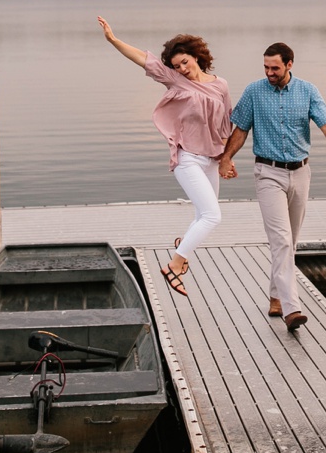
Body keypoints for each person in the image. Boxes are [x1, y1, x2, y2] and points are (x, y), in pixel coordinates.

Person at [97, 16, 232, 299]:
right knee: (212, 216)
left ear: (196, 56)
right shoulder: (174, 80)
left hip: (211, 158)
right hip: (188, 160)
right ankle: (174, 264)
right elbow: (141, 59)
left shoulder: (221, 85)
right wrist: (113, 39)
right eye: (176, 66)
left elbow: (225, 126)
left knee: (201, 215)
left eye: (185, 62)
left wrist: (226, 159)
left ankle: (184, 247)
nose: (182, 69)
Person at [217, 42, 326, 332]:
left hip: (301, 172)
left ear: (289, 64)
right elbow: (240, 129)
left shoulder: (308, 91)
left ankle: (276, 296)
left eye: (274, 67)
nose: (269, 72)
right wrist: (226, 158)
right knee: (281, 240)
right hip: (268, 173)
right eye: (265, 67)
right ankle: (292, 309)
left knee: (292, 240)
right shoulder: (254, 91)